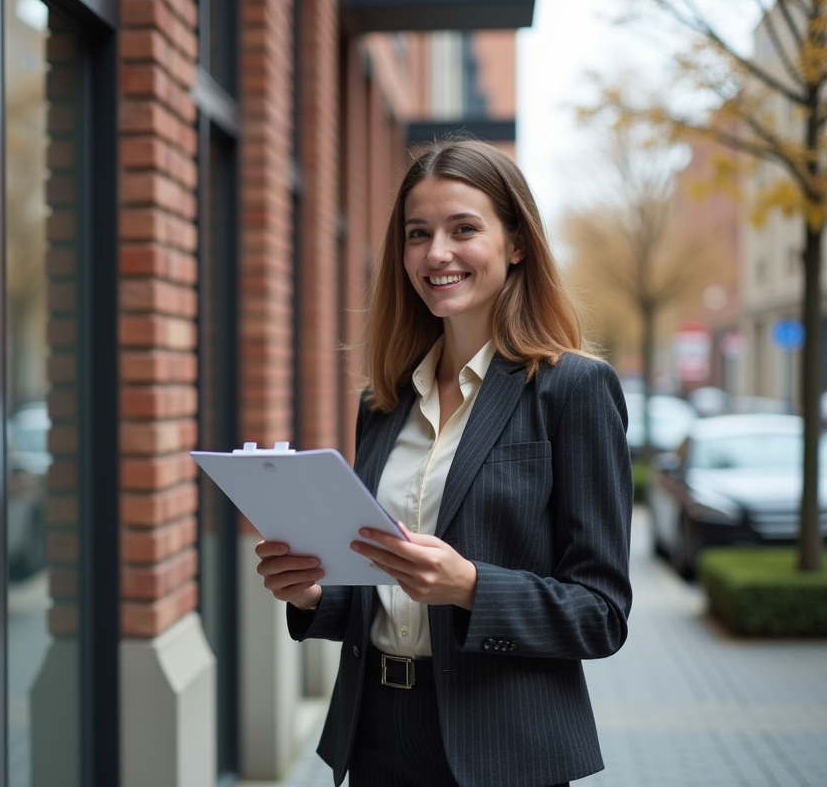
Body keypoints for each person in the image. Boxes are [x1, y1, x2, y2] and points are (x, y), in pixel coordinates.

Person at [254, 139, 633, 787]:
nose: (437, 254)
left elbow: (601, 614)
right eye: (417, 234)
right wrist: (317, 594)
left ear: (516, 242)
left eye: (464, 229)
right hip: (376, 736)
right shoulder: (385, 402)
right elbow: (380, 586)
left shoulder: (573, 390)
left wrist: (470, 587)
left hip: (503, 751)